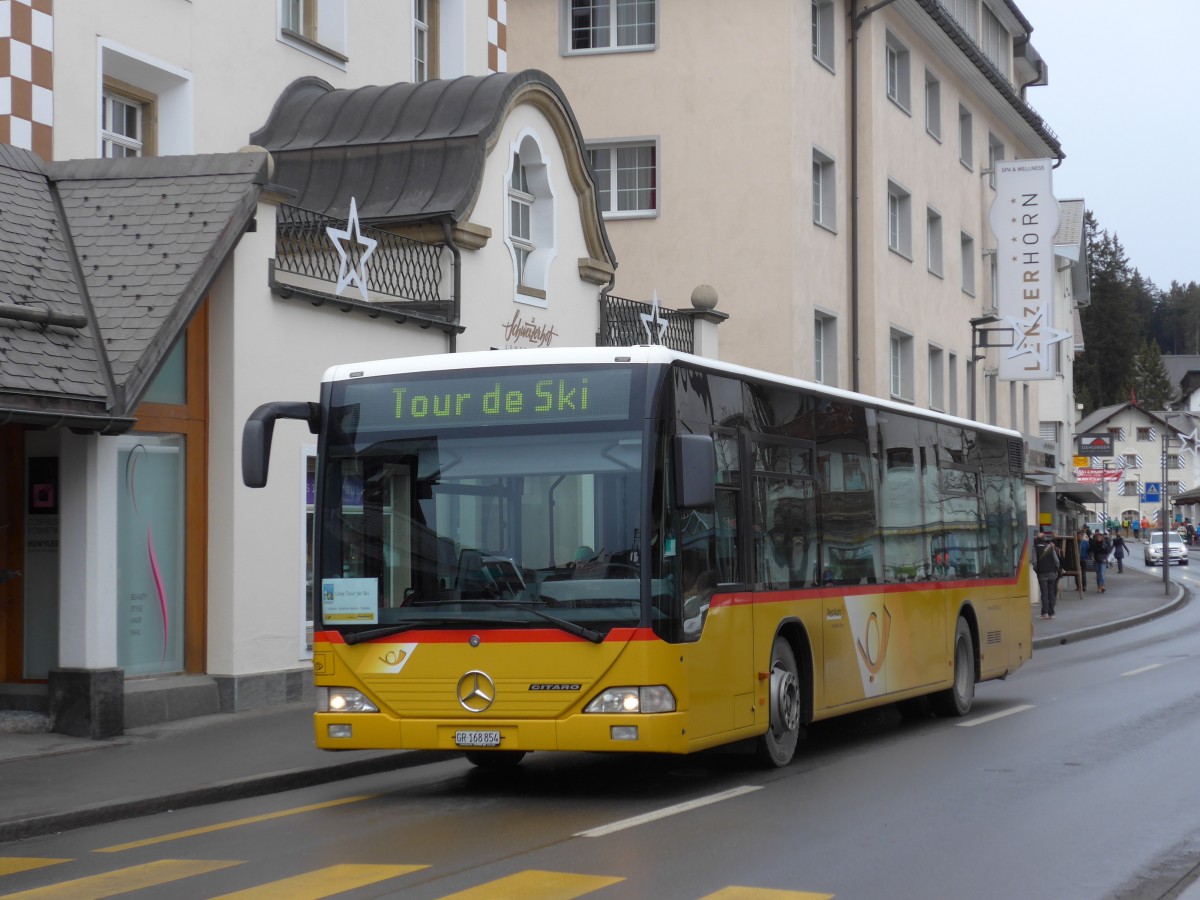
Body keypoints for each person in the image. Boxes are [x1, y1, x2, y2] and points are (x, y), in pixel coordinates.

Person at [1033, 532, 1061, 619]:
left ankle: (1045, 612)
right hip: (1052, 572)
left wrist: (1037, 570)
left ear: (1037, 539)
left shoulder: (1035, 548)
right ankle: (1051, 612)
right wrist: (1056, 569)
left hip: (1042, 573)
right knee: (1051, 592)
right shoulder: (1050, 547)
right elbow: (1056, 561)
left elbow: (1034, 562)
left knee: (1044, 593)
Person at [1090, 529, 1112, 593]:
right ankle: (1099, 586)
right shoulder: (1094, 544)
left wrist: (1106, 558)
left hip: (1103, 560)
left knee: (1102, 573)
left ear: (1102, 538)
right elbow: (1091, 550)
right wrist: (1092, 556)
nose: (1099, 538)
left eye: (1100, 537)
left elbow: (1108, 551)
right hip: (1096, 560)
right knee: (1098, 574)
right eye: (1098, 537)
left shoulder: (1104, 544)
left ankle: (1102, 586)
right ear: (1096, 538)